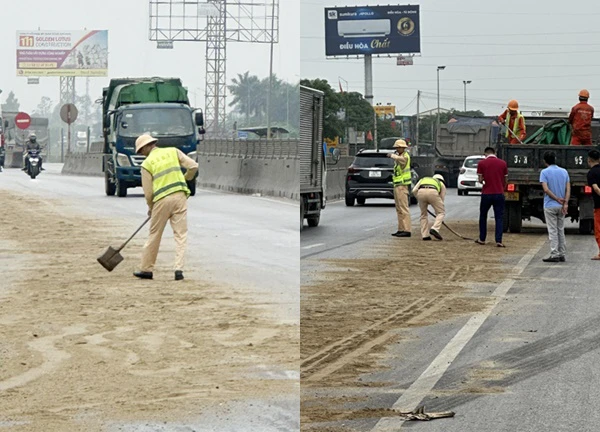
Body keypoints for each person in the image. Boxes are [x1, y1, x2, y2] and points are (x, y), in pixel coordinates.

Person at [133, 134, 199, 281]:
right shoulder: (173, 151)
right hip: (180, 197)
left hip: (161, 201)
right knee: (180, 235)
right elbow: (194, 166)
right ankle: (178, 269)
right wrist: (185, 178)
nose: (141, 154)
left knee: (154, 235)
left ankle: (146, 269)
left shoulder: (146, 164)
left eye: (140, 151)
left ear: (145, 147)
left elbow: (148, 193)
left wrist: (151, 208)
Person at [540, 151, 570, 262]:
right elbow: (568, 188)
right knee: (560, 229)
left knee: (552, 230)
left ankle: (554, 253)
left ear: (545, 161)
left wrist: (556, 198)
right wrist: (565, 202)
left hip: (550, 205)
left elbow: (546, 189)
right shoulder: (564, 171)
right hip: (562, 206)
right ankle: (562, 253)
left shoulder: (544, 172)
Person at [476, 147, 508, 247]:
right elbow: (506, 179)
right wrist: (502, 187)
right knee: (499, 217)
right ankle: (499, 240)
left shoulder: (482, 163)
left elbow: (480, 179)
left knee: (483, 216)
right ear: (495, 153)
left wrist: (485, 180)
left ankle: (482, 238)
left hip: (486, 193)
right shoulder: (503, 163)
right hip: (499, 193)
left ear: (486, 154)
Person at [387, 139, 412, 237]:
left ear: (403, 148)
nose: (397, 149)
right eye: (396, 147)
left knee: (403, 208)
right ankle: (401, 228)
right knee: (399, 209)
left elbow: (402, 161)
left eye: (398, 147)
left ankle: (407, 229)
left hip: (402, 185)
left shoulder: (405, 156)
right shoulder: (400, 156)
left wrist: (393, 156)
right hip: (397, 185)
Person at [412, 174, 447, 241]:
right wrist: (438, 213)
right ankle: (435, 228)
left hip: (421, 192)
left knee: (423, 215)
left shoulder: (423, 179)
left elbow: (414, 190)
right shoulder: (441, 183)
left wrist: (419, 199)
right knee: (441, 212)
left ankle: (425, 235)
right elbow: (441, 199)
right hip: (433, 192)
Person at [587, 150, 600, 260]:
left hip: (599, 205)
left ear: (589, 160)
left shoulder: (591, 173)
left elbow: (595, 188)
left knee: (599, 229)